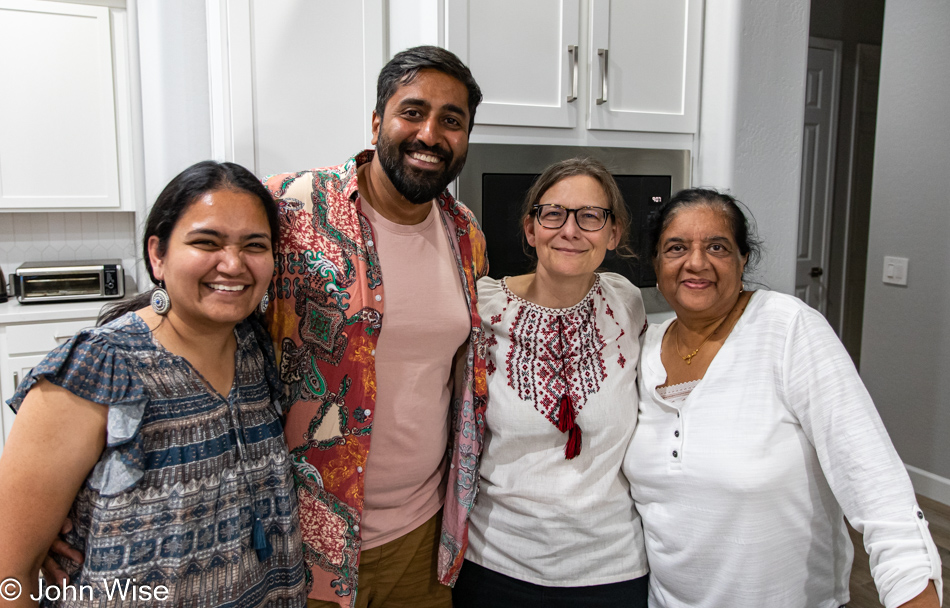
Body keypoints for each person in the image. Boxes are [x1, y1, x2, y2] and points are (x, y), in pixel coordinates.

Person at [0, 161, 306, 607]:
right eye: (207, 242)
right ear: (158, 255)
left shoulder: (257, 350)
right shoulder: (99, 367)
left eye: (254, 245)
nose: (233, 263)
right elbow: (11, 570)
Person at [624, 188, 943, 608]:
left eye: (717, 246)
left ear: (743, 260)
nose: (696, 262)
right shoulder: (642, 348)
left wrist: (913, 591)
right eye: (676, 247)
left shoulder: (789, 329)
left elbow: (876, 486)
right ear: (657, 263)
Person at [262, 46, 486, 608]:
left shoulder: (466, 233)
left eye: (451, 121)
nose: (430, 134)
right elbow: (198, 302)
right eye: (412, 112)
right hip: (302, 536)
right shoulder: (291, 206)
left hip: (424, 533)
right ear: (377, 121)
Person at [452, 158, 650, 608]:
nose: (570, 230)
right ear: (530, 228)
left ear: (613, 233)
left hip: (612, 566)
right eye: (553, 213)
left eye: (591, 216)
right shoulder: (480, 307)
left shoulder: (627, 301)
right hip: (497, 561)